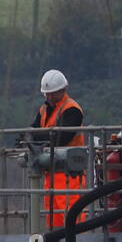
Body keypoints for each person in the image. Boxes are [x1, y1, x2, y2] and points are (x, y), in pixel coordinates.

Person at [30, 69, 86, 230]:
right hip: (51, 170)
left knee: (72, 211)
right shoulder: (44, 110)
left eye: (52, 94)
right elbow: (35, 130)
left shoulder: (72, 110)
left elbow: (63, 137)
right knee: (53, 215)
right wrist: (26, 137)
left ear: (62, 90)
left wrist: (37, 137)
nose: (48, 97)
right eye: (46, 94)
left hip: (70, 172)